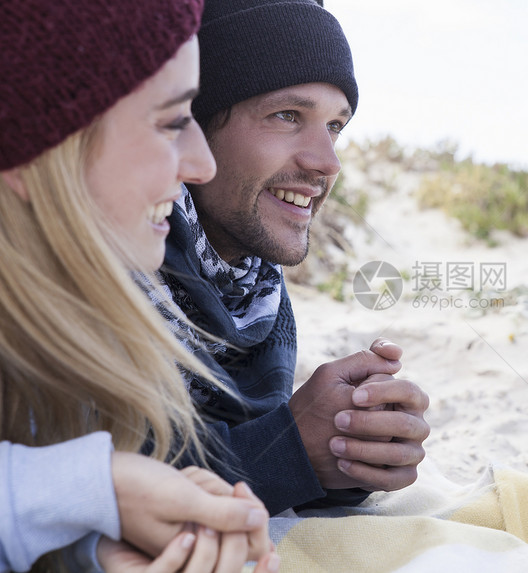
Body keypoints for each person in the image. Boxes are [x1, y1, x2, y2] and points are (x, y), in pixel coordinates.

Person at [0, 0, 277, 571]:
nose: (202, 164)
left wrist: (95, 547)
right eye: (173, 121)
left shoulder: (68, 323)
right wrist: (90, 487)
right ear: (34, 152)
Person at [158, 0, 431, 515]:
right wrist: (286, 450)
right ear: (195, 123)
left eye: (334, 126)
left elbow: (234, 447)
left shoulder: (255, 289)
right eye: (287, 116)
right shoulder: (109, 263)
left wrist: (345, 452)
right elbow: (85, 484)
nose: (326, 162)